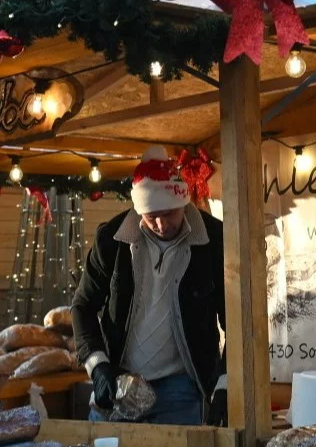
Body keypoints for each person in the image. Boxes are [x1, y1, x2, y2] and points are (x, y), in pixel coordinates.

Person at [71, 146, 228, 425]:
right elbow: (83, 306)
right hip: (119, 381)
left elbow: (236, 320)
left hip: (180, 388)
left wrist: (226, 385)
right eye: (150, 214)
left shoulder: (214, 240)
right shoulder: (112, 239)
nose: (160, 223)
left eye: (169, 213)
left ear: (183, 202)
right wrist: (97, 366)